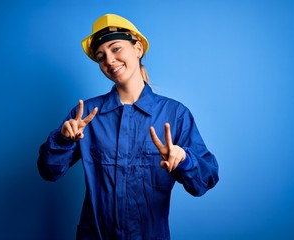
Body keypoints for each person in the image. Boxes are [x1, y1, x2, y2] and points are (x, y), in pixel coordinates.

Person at [37, 13, 219, 240]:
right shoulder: (85, 116)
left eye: (116, 49)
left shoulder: (175, 114)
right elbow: (48, 171)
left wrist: (184, 159)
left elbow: (205, 181)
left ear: (138, 48)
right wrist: (63, 141)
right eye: (101, 57)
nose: (109, 61)